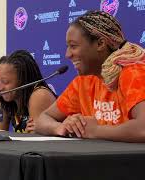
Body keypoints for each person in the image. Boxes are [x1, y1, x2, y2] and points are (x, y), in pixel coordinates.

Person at [35, 10, 145, 142]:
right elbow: (43, 119)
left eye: (73, 46)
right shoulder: (84, 81)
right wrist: (61, 127)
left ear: (100, 44)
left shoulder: (134, 72)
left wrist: (95, 130)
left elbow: (142, 129)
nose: (67, 54)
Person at [0, 50, 57, 133]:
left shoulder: (39, 95)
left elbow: (37, 140)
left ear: (22, 79)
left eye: (5, 82)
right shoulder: (7, 99)